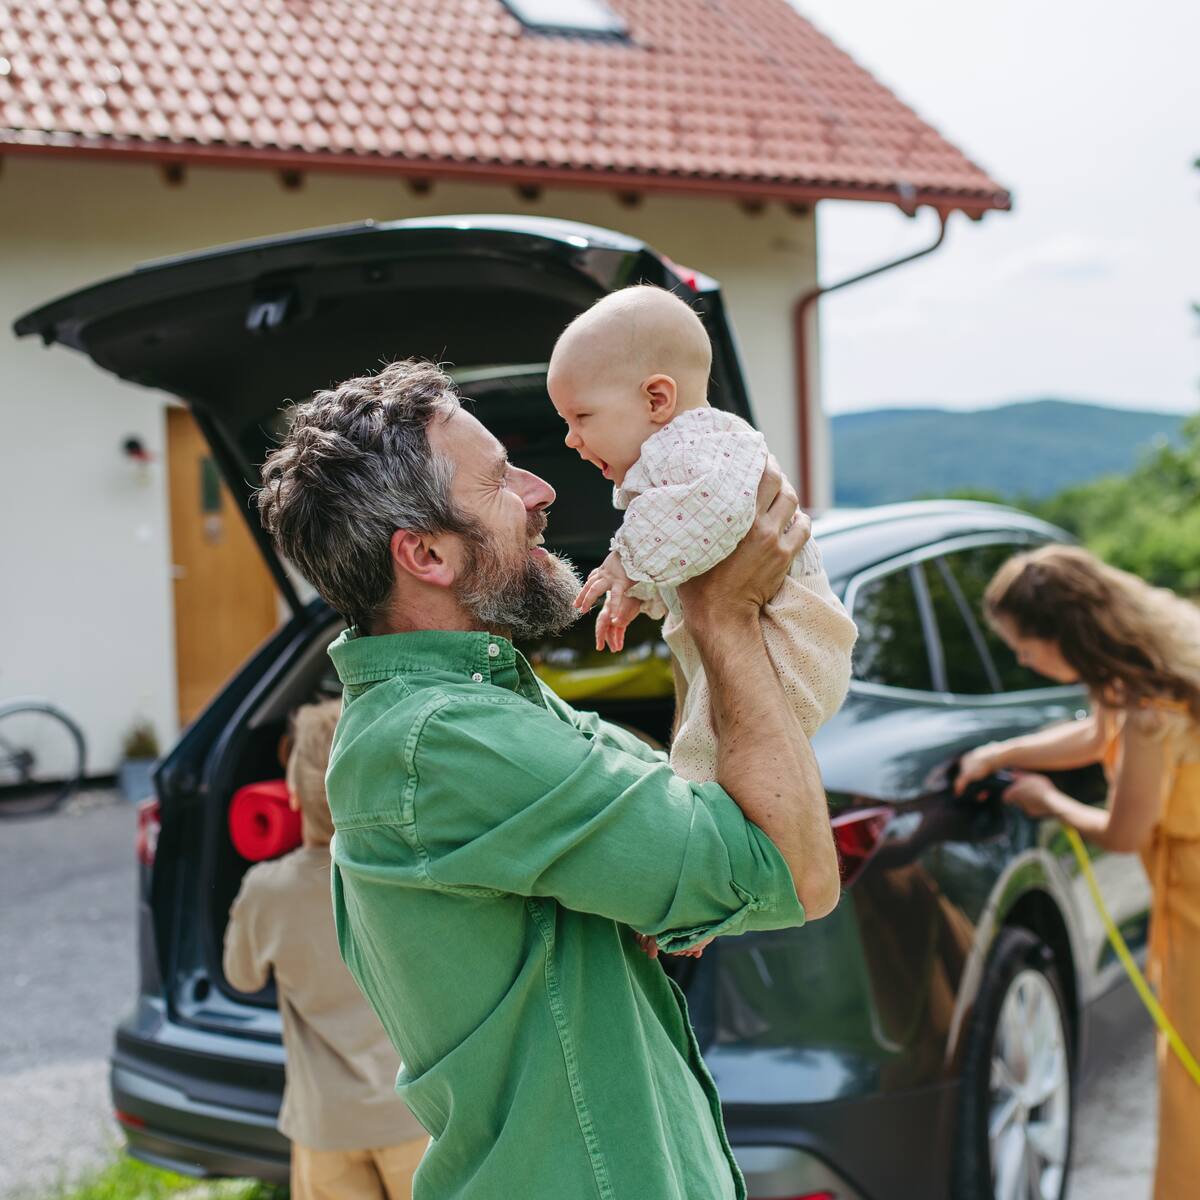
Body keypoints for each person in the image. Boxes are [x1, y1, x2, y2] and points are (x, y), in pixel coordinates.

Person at [256, 357, 841, 1200]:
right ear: (426, 554)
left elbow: (713, 819)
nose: (541, 491)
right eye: (499, 481)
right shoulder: (447, 742)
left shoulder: (491, 711)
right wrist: (722, 611)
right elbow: (794, 872)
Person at [954, 544, 1200, 1200]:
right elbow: (1095, 739)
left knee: (1190, 1078)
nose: (1022, 661)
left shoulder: (1150, 709)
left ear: (1068, 636)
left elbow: (1126, 833)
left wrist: (1049, 802)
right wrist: (1001, 753)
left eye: (1025, 646)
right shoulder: (1142, 669)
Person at [547, 285, 857, 782]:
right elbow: (692, 546)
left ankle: (696, 818)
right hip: (762, 639)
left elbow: (713, 515)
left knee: (706, 758)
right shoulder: (670, 460)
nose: (570, 438)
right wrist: (639, 591)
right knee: (708, 739)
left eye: (581, 416)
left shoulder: (701, 446)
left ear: (656, 398)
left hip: (790, 640)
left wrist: (624, 563)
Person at [223, 698, 429, 1200]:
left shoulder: (265, 891)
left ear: (291, 794)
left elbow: (241, 977)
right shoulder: (408, 874)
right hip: (413, 1114)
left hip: (325, 1124)